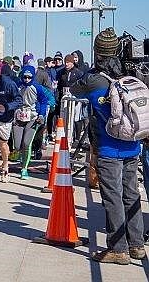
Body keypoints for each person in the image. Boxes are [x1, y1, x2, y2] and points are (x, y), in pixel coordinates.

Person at [71, 27, 145, 264]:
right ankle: (137, 246)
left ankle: (118, 249)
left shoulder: (93, 80)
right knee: (131, 194)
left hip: (108, 147)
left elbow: (74, 88)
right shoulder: (132, 73)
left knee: (112, 196)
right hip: (133, 145)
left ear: (96, 52)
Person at [12, 66, 50, 179]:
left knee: (27, 143)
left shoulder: (37, 87)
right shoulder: (17, 86)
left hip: (32, 118)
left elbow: (44, 101)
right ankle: (20, 155)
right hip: (18, 118)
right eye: (25, 77)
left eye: (29, 77)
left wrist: (41, 115)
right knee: (18, 145)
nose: (27, 80)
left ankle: (24, 169)